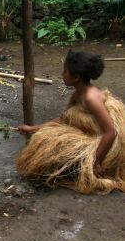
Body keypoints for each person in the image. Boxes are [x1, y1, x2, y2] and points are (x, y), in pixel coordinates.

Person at [16, 50, 125, 194]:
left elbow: (110, 132)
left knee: (56, 150)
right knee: (46, 139)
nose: (62, 74)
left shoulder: (91, 99)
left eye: (65, 71)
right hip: (93, 133)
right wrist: (33, 128)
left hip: (109, 142)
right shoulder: (77, 94)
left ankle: (94, 166)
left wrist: (96, 161)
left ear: (77, 77)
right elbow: (64, 119)